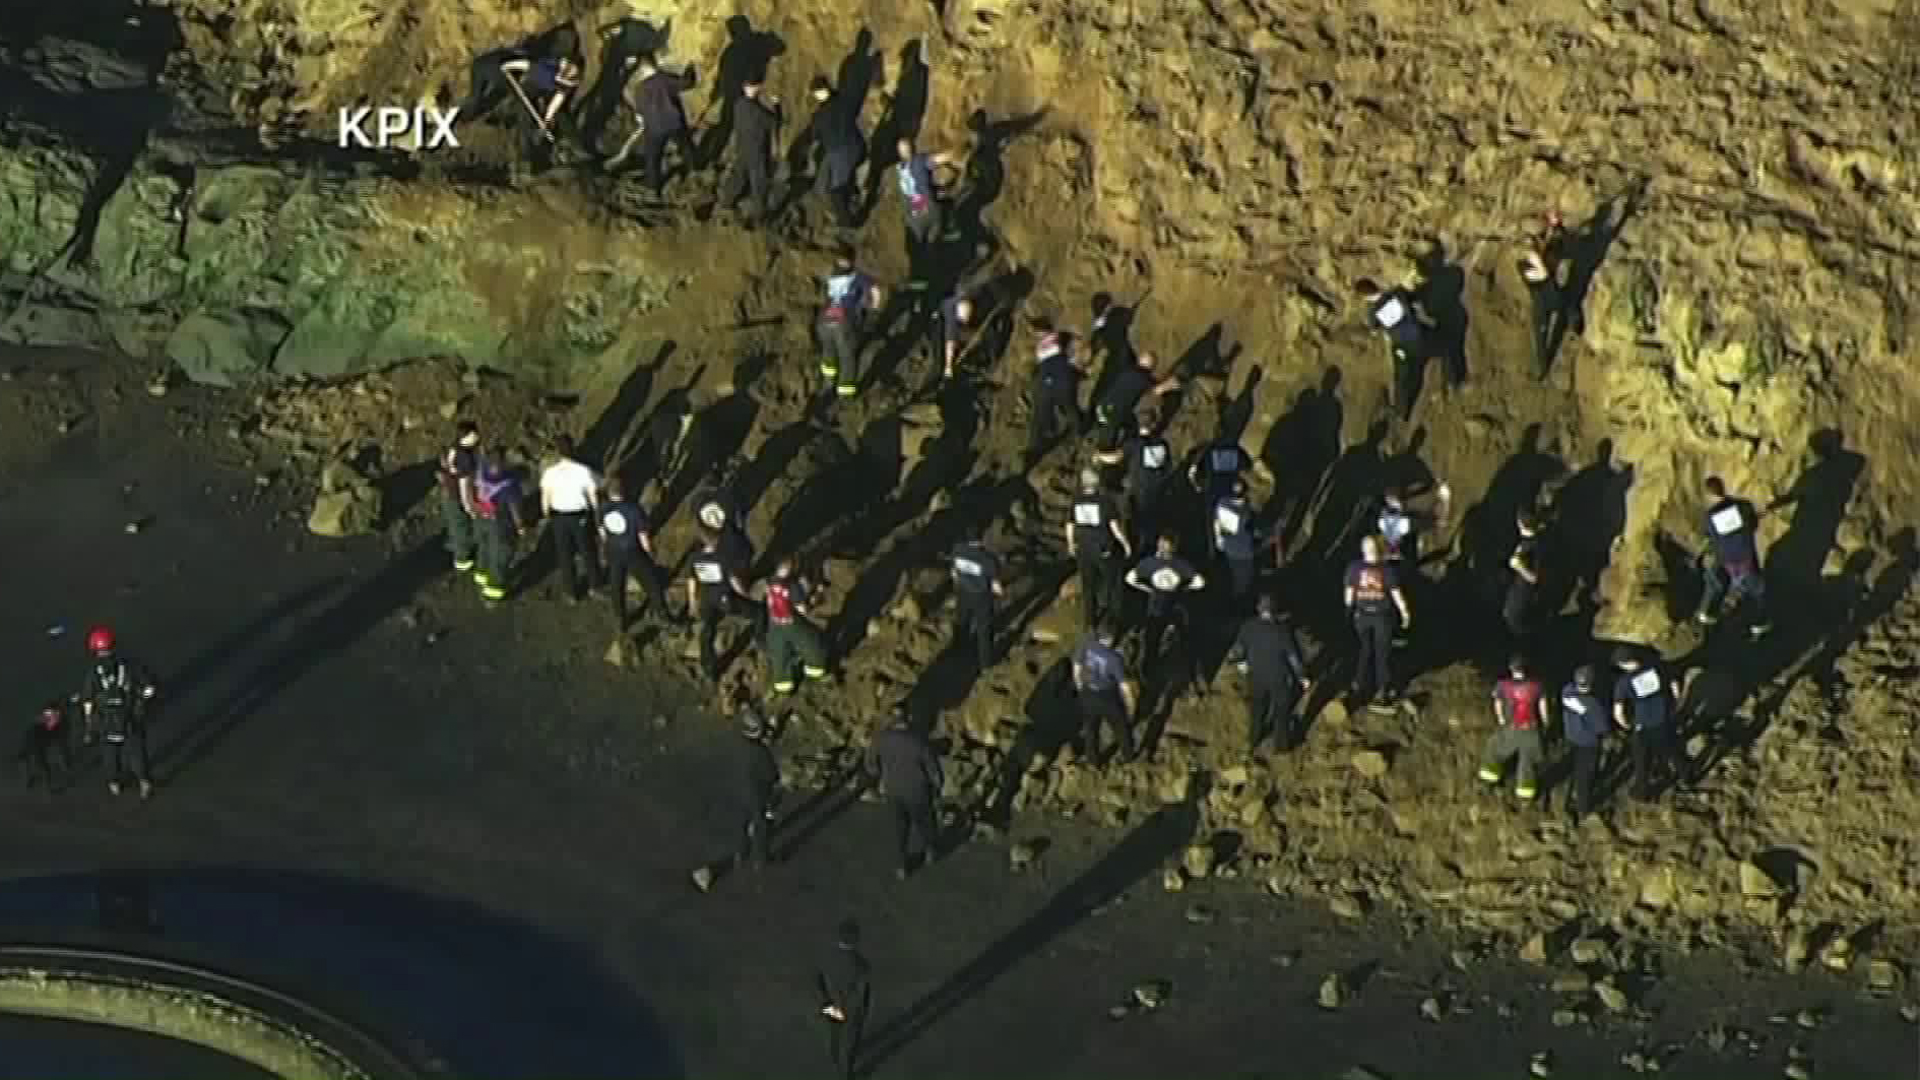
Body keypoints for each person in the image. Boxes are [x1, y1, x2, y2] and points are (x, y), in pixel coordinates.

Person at [694, 702, 780, 892]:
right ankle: (761, 860)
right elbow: (772, 775)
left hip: (738, 791)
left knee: (741, 824)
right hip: (757, 795)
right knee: (760, 826)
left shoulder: (736, 746)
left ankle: (740, 854)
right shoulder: (760, 753)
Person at [76, 627, 158, 799]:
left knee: (110, 756)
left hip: (106, 722)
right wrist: (142, 703)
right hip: (130, 719)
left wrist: (89, 725)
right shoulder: (130, 666)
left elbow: (88, 701)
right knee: (137, 752)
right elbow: (149, 687)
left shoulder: (94, 673)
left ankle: (114, 784)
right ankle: (144, 782)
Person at [1125, 534, 1208, 702]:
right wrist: (1184, 588)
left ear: (1159, 546)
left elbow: (1130, 579)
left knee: (1151, 642)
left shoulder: (1149, 563)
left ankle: (1148, 673)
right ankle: (1191, 676)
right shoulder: (1182, 565)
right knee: (1185, 641)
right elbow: (1200, 582)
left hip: (1155, 608)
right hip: (1175, 605)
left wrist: (1146, 588)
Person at [864, 710, 944, 879]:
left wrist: (879, 777)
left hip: (893, 790)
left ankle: (901, 866)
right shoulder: (917, 740)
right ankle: (930, 851)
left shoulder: (882, 738)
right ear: (908, 717)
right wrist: (937, 787)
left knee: (899, 829)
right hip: (917, 791)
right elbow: (932, 768)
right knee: (924, 822)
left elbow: (871, 763)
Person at [1230, 595, 1309, 752]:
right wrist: (1302, 677)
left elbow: (1238, 649)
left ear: (1258, 609)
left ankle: (1253, 740)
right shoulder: (1282, 631)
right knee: (1282, 711)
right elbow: (1293, 657)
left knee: (1257, 709)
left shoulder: (1248, 626)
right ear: (1275, 611)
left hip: (1256, 676)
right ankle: (1281, 745)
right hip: (1278, 677)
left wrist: (1240, 663)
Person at [609, 55, 698, 193]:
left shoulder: (640, 88)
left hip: (655, 127)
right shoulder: (665, 79)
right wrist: (690, 69)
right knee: (685, 146)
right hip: (674, 123)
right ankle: (694, 169)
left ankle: (653, 185)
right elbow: (687, 84)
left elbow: (639, 110)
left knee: (653, 157)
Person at [1696, 476, 1770, 637]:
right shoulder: (1743, 506)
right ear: (1723, 487)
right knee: (1755, 592)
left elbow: (1712, 537)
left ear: (1708, 495)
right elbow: (1752, 526)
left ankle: (1709, 615)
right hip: (1746, 557)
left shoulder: (1710, 517)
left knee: (1716, 582)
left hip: (1726, 560)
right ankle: (1759, 624)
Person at [1344, 534, 1412, 709]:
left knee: (1364, 650)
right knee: (1383, 653)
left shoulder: (1354, 568)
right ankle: (1382, 690)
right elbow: (1397, 596)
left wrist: (1350, 612)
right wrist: (1405, 613)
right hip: (1382, 617)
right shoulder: (1387, 570)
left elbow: (1349, 596)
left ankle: (1357, 685)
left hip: (1361, 616)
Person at [1356, 277, 1436, 421]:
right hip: (1418, 336)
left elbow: (1374, 329)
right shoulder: (1397, 293)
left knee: (1401, 377)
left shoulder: (1373, 312)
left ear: (1365, 297)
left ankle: (1401, 411)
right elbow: (1415, 301)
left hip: (1401, 345)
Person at [1097, 409, 1176, 554]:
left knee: (1139, 521)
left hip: (1141, 490)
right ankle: (1156, 548)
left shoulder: (1134, 444)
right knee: (1156, 521)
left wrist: (1099, 456)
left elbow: (1115, 458)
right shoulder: (1163, 443)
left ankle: (1141, 550)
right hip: (1161, 488)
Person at [599, 478, 675, 628]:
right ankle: (662, 615)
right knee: (652, 583)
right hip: (633, 552)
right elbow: (643, 538)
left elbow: (602, 532)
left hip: (614, 551)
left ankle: (620, 618)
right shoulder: (634, 510)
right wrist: (651, 552)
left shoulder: (602, 509)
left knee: (616, 585)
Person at [687, 526, 756, 682]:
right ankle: (761, 636)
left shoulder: (694, 558)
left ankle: (708, 668)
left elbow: (691, 581)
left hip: (706, 600)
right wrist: (746, 595)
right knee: (756, 613)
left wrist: (692, 601)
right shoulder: (722, 559)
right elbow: (733, 581)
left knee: (707, 632)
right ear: (716, 541)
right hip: (725, 599)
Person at [539, 435, 603, 603]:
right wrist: (596, 516)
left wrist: (548, 515)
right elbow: (593, 496)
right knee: (588, 552)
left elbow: (545, 499)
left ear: (558, 452)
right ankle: (595, 586)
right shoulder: (583, 471)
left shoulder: (550, 473)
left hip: (559, 517)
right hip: (579, 516)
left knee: (564, 554)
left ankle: (570, 592)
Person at [1612, 645, 1681, 800]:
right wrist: (1675, 703)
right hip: (1663, 719)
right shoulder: (1656, 668)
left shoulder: (1624, 682)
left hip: (1643, 725)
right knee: (1672, 750)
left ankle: (1641, 793)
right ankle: (1687, 775)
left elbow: (1618, 712)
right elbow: (1674, 684)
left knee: (1641, 761)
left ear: (1623, 664)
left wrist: (1627, 725)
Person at [1067, 468, 1131, 630]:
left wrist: (1070, 544)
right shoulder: (1105, 501)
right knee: (1112, 583)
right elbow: (1114, 527)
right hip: (1102, 548)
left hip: (1083, 549)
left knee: (1088, 585)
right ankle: (1113, 619)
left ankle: (1090, 621)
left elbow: (1069, 525)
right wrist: (1125, 543)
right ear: (1098, 483)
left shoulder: (1076, 501)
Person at [582, 16, 660, 148]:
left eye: (607, 35)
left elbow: (652, 41)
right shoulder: (615, 42)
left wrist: (639, 56)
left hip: (630, 73)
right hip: (617, 79)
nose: (608, 39)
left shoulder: (634, 32)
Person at [817, 253, 885, 402]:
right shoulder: (857, 277)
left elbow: (824, 297)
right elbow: (876, 291)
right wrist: (873, 312)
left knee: (828, 351)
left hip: (825, 319)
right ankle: (845, 392)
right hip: (843, 321)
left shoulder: (831, 276)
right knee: (846, 355)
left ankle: (828, 382)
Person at [802, 76, 868, 227]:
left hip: (841, 151)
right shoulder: (843, 102)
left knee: (837, 190)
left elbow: (815, 134)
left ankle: (847, 222)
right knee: (827, 181)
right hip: (854, 147)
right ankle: (841, 202)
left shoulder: (821, 115)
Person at [1478, 654, 1546, 801]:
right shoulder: (1537, 685)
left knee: (1495, 750)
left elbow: (1497, 703)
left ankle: (1488, 783)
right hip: (1531, 730)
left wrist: (1501, 719)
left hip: (1511, 727)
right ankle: (1525, 797)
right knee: (1527, 764)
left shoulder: (1503, 685)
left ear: (1511, 668)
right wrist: (1544, 724)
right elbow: (1543, 707)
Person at [1518, 212, 1576, 379]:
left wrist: (1555, 225)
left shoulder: (1548, 250)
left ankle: (1574, 323)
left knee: (1567, 304)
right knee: (1540, 336)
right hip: (1542, 302)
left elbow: (1560, 242)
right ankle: (1541, 369)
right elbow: (1542, 275)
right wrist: (1537, 261)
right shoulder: (1523, 266)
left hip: (1553, 296)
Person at [715, 76, 780, 225]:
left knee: (738, 175)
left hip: (741, 147)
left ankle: (726, 202)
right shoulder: (758, 111)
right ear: (757, 88)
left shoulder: (738, 104)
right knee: (759, 181)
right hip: (757, 150)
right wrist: (777, 105)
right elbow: (775, 122)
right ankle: (759, 213)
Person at [1072, 622, 1138, 765]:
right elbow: (1124, 686)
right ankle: (1128, 756)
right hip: (1108, 698)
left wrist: (1080, 687)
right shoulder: (1114, 658)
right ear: (1111, 638)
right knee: (1120, 727)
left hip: (1088, 693)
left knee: (1091, 730)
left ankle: (1092, 760)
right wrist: (1131, 705)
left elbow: (1076, 667)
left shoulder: (1086, 645)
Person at [762, 558, 830, 693]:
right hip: (792, 623)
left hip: (774, 623)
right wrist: (816, 599)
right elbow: (803, 610)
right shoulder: (792, 586)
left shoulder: (770, 582)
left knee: (780, 653)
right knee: (812, 643)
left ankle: (782, 685)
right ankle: (815, 671)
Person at [816, 919, 871, 1080]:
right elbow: (863, 990)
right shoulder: (860, 964)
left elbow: (819, 980)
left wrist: (825, 1001)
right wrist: (863, 1011)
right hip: (851, 1008)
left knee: (834, 1033)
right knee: (850, 1044)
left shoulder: (828, 957)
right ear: (855, 939)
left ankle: (833, 1060)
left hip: (832, 1004)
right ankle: (846, 1074)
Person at [1025, 328, 1084, 468]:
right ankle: (1079, 430)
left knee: (1042, 415)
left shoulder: (1046, 346)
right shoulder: (1050, 345)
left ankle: (1036, 446)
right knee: (1067, 407)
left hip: (1051, 381)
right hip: (1059, 380)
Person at [1094, 350, 1179, 447]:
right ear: (1152, 367)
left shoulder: (1126, 371)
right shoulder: (1144, 378)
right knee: (1112, 441)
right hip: (1113, 414)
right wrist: (1170, 384)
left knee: (1122, 429)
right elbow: (1157, 390)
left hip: (1102, 407)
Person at [949, 528, 1006, 670]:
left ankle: (957, 652)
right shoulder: (987, 559)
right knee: (984, 629)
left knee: (961, 622)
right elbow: (996, 586)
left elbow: (954, 573)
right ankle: (985, 662)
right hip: (981, 597)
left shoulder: (957, 550)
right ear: (981, 538)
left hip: (963, 593)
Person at [894, 138, 954, 268]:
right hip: (928, 205)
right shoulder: (919, 160)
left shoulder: (899, 168)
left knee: (917, 244)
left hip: (914, 208)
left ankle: (920, 271)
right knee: (934, 239)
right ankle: (936, 268)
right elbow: (944, 158)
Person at [1558, 663, 1607, 823]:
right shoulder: (1593, 705)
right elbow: (1601, 728)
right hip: (1588, 743)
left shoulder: (1567, 692)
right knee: (1585, 776)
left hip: (1572, 737)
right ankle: (1583, 809)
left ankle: (1570, 796)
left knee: (1575, 767)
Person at [473, 462, 525, 602]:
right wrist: (520, 526)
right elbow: (515, 510)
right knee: (501, 555)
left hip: (482, 519)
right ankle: (493, 592)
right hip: (501, 524)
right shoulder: (509, 487)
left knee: (485, 549)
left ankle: (481, 576)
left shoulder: (480, 477)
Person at [437, 421, 483, 574]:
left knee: (456, 525)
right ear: (468, 436)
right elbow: (464, 486)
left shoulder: (455, 447)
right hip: (456, 497)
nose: (477, 436)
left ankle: (456, 545)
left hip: (448, 493)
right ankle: (462, 560)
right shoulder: (465, 457)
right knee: (462, 528)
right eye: (474, 434)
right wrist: (470, 507)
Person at [1211, 476, 1263, 604]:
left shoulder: (1222, 503)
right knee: (1242, 580)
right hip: (1242, 550)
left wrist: (1218, 541)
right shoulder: (1247, 507)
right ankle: (1239, 604)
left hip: (1232, 548)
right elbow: (1254, 530)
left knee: (1235, 579)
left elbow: (1217, 524)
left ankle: (1235, 603)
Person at [1377, 481, 1451, 566]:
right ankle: (1443, 501)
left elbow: (1391, 500)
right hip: (1407, 526)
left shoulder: (1389, 523)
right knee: (1437, 521)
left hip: (1404, 519)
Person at [1187, 434, 1251, 532]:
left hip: (1225, 495)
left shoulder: (1209, 453)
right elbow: (1247, 465)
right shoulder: (1210, 453)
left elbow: (1247, 466)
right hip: (1223, 494)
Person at [16, 699, 74, 792]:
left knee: (42, 762)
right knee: (33, 760)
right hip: (37, 738)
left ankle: (49, 784)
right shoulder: (52, 717)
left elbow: (60, 736)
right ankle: (35, 781)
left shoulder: (56, 719)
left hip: (41, 738)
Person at [1503, 509, 1544, 637]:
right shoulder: (1527, 542)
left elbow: (1535, 578)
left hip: (1524, 597)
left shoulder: (1536, 547)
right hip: (1517, 593)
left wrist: (1519, 566)